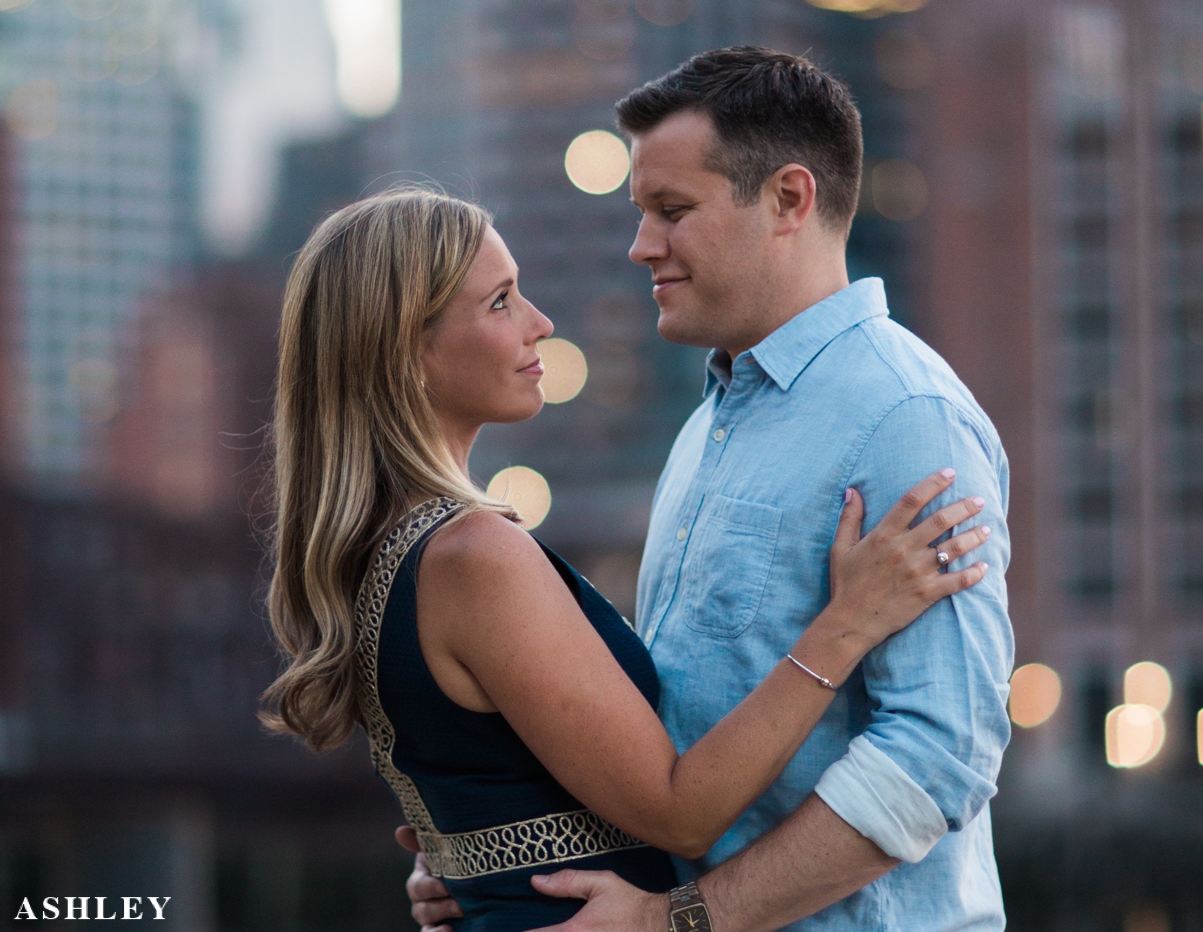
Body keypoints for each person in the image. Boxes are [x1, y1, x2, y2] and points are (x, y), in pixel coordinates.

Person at [259, 184, 992, 932]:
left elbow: (483, 770)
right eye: (501, 302)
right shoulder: (473, 555)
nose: (541, 324)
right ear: (405, 354)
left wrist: (464, 860)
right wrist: (847, 625)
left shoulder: (390, 548)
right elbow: (681, 812)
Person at [402, 48, 1014, 932]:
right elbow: (670, 729)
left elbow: (939, 755)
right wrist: (489, 857)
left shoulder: (906, 419)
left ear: (789, 200)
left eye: (672, 211)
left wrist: (674, 921)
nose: (640, 244)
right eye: (642, 211)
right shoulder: (711, 424)